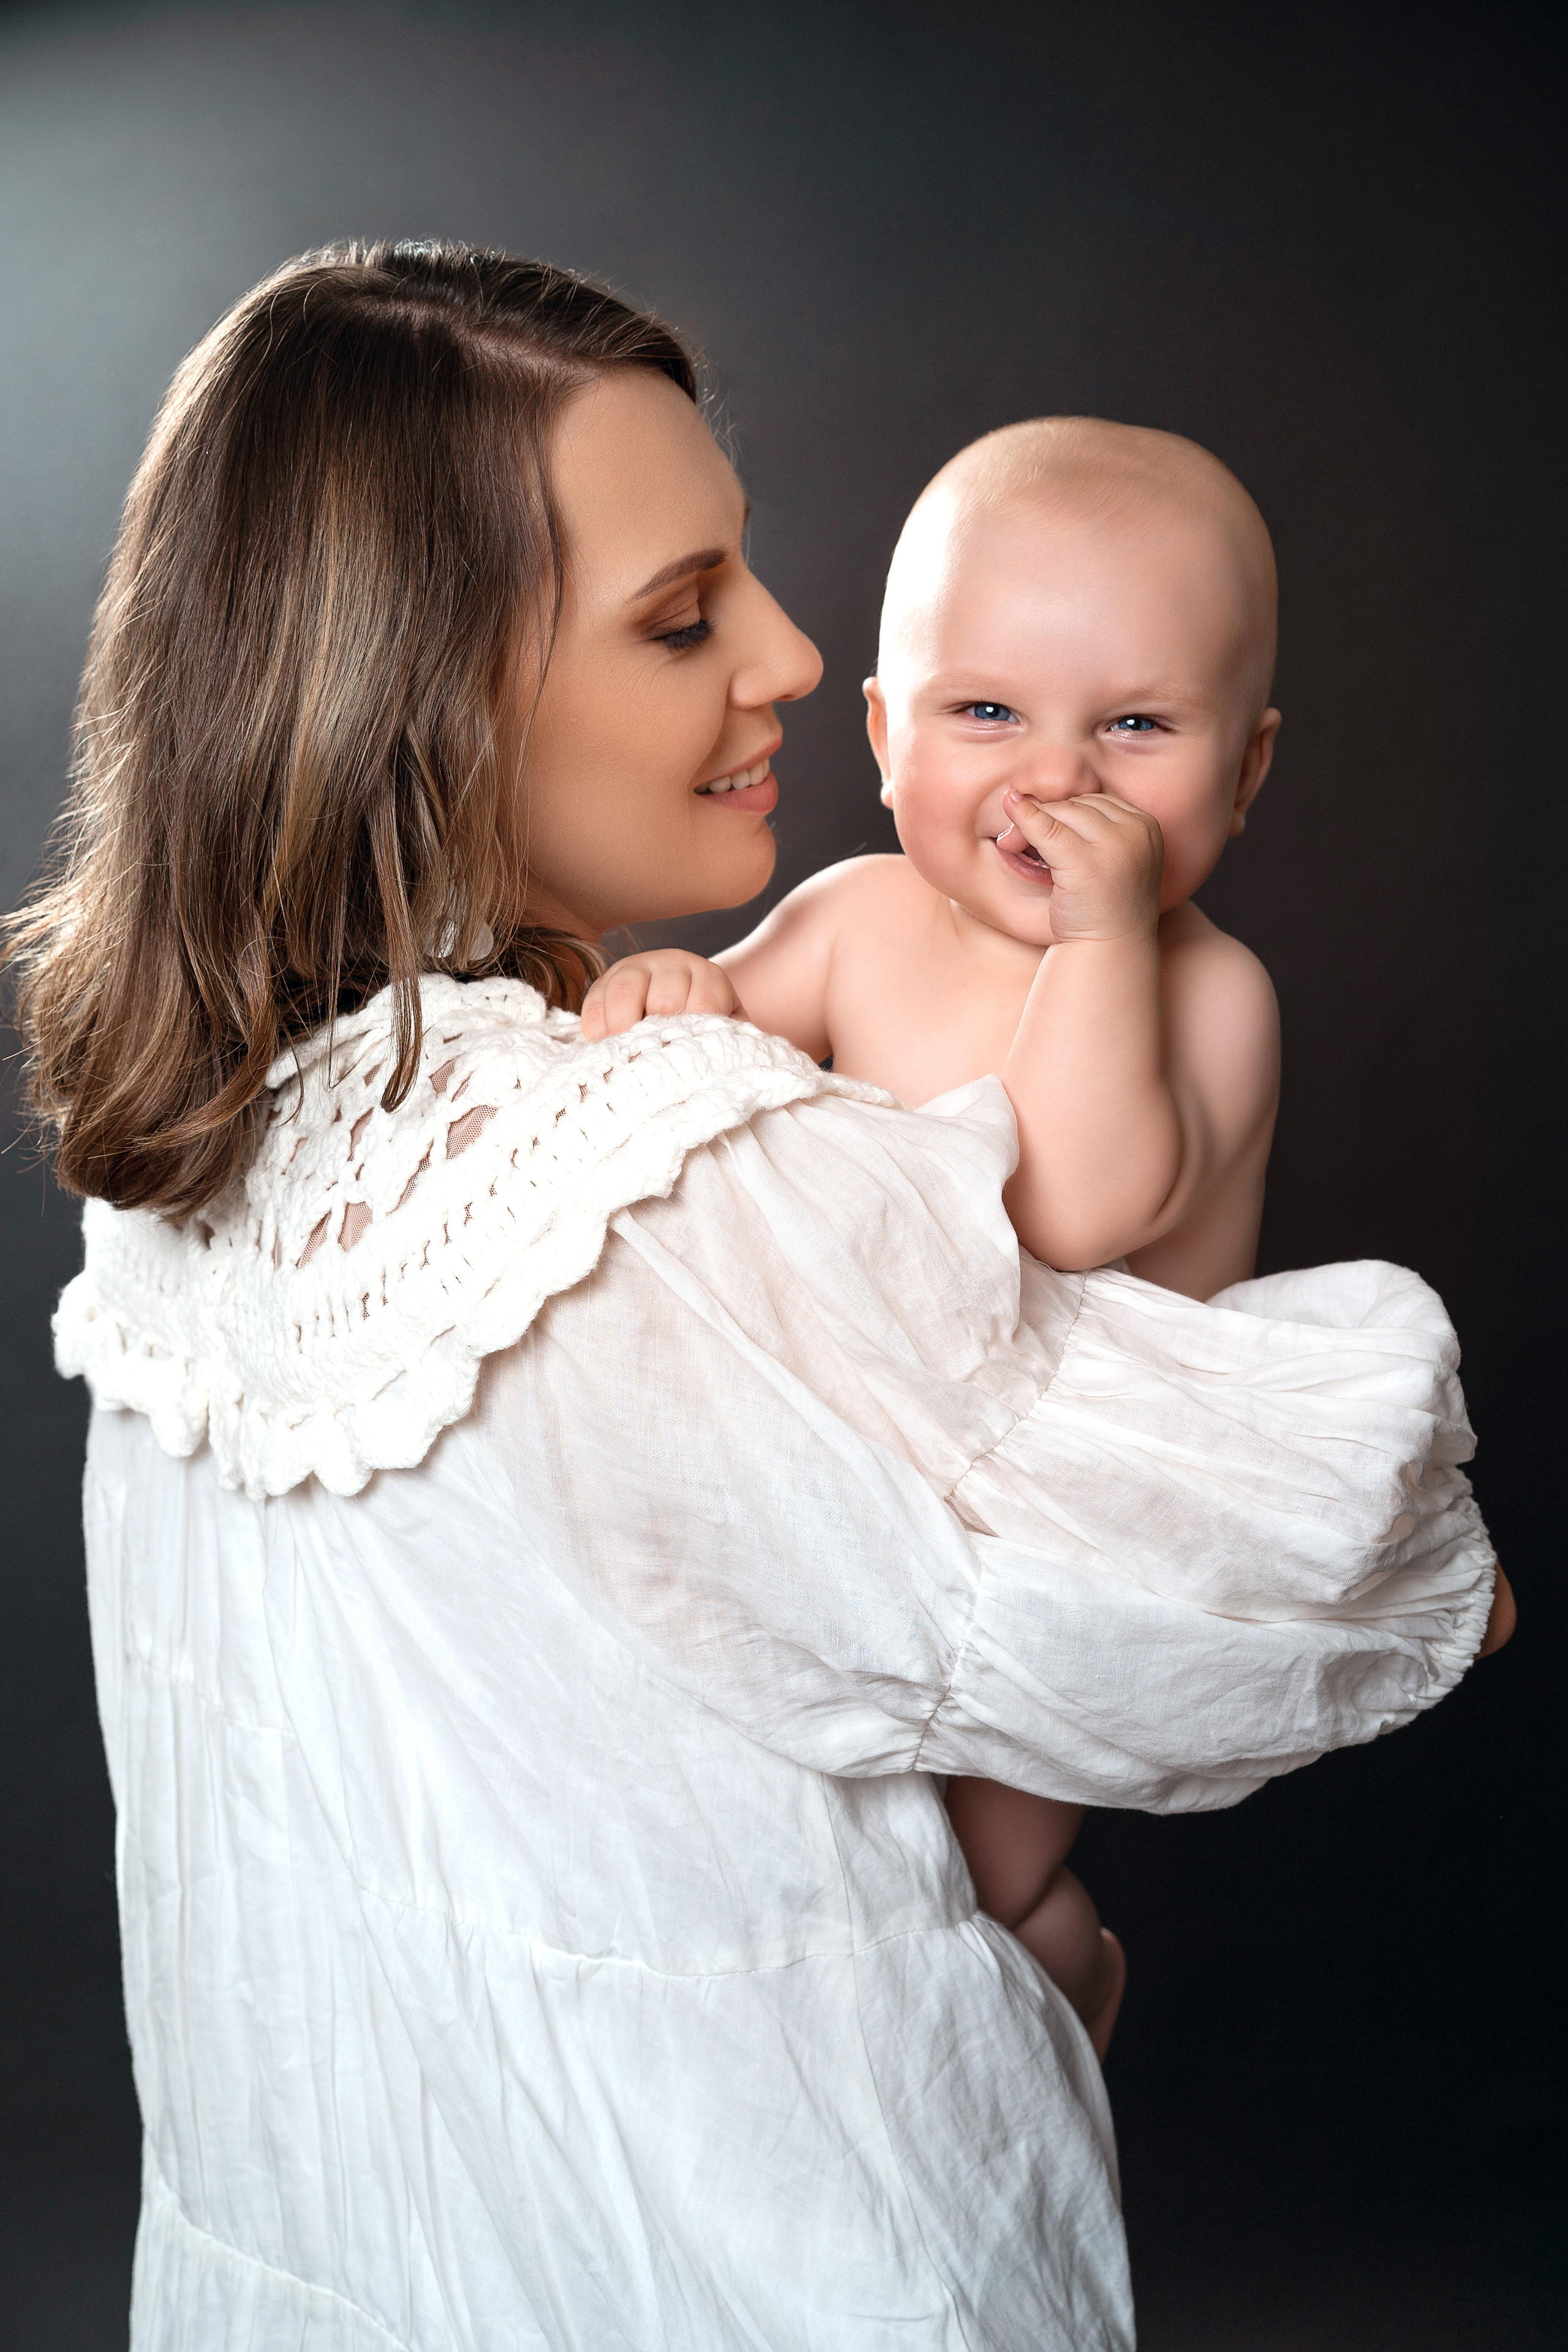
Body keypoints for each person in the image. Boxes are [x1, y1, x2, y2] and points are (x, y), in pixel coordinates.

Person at [5, 242, 1508, 2352]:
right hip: (744, 2250)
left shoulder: (218, 1156)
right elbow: (1193, 1574)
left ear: (1240, 767)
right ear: (433, 687)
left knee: (1014, 1868)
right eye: (685, 612)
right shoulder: (639, 1168)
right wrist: (1389, 1556)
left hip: (349, 2229)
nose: (796, 657)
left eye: (757, 580)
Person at [584, 417, 1281, 2056]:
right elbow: (711, 1064)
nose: (1058, 776)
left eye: (1135, 724)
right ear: (890, 741)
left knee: (972, 1865)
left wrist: (1103, 936)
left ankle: (1054, 1980)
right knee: (817, 1846)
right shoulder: (852, 916)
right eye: (989, 714)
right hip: (872, 1487)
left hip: (1074, 1530)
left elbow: (1067, 1203)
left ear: (1244, 772)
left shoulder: (1212, 993)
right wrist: (680, 999)